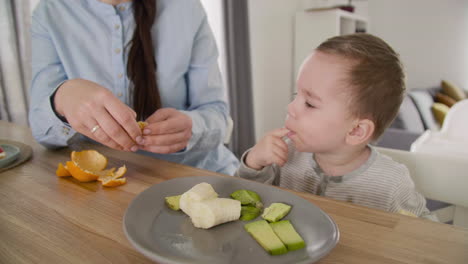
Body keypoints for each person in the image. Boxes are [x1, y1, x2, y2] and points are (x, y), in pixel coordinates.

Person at [236, 33, 435, 219]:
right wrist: (254, 162)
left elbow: (429, 239)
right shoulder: (284, 154)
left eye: (310, 103)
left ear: (356, 131)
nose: (291, 107)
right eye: (297, 95)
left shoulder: (391, 184)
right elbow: (243, 203)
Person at [29, 0, 239, 175]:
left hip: (197, 173)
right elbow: (42, 132)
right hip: (105, 186)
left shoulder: (186, 7)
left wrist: (192, 127)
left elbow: (219, 117)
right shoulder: (50, 13)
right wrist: (62, 99)